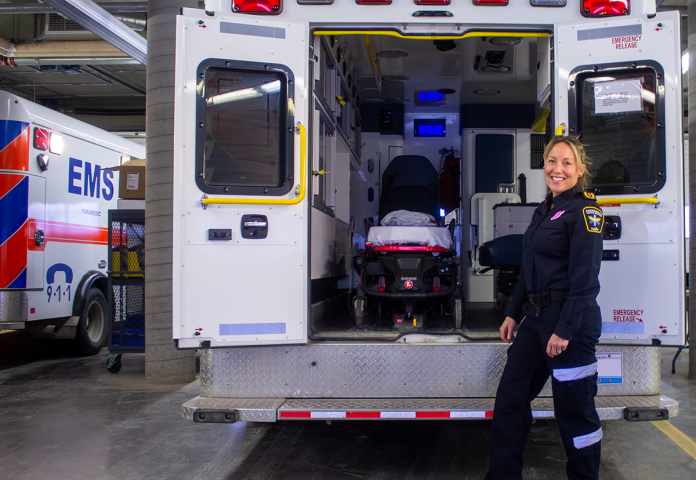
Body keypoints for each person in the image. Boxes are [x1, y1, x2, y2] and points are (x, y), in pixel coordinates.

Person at [486, 135, 604, 480]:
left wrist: (564, 331)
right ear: (544, 165)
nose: (558, 169)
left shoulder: (586, 211)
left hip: (569, 325)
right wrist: (513, 312)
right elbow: (530, 269)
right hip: (536, 321)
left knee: (575, 415)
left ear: (580, 170)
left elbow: (585, 282)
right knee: (510, 401)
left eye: (567, 163)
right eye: (552, 161)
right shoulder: (544, 209)